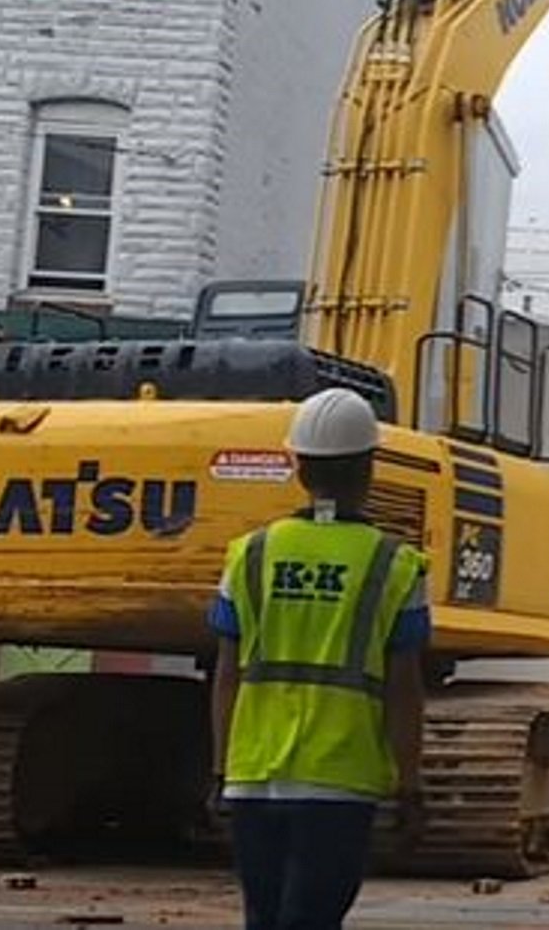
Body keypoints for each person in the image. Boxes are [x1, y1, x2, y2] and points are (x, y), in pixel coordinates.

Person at [208, 388, 431, 930]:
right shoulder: (396, 564)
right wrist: (410, 782)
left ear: (299, 466)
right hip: (339, 782)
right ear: (369, 467)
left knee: (264, 919)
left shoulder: (250, 553)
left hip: (253, 777)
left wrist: (219, 771)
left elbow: (225, 677)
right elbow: (405, 688)